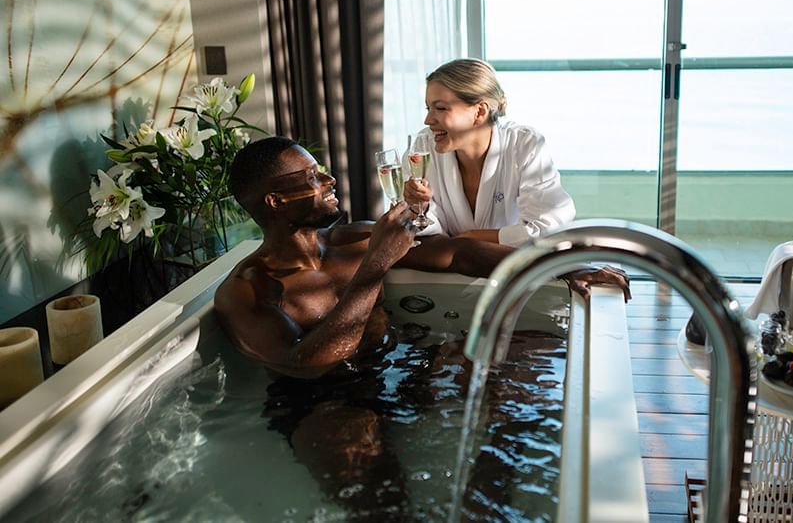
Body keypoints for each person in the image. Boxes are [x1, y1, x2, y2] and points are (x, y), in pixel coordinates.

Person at [214, 136, 628, 379]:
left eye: (321, 170)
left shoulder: (353, 239)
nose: (329, 180)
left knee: (515, 361)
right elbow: (304, 366)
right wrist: (377, 263)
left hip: (401, 367)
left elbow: (461, 254)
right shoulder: (247, 291)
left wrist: (563, 268)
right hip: (327, 402)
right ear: (276, 200)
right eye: (311, 178)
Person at [403, 58, 574, 247]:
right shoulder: (422, 148)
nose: (428, 120)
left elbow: (548, 227)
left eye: (441, 108)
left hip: (508, 268)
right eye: (428, 108)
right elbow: (417, 235)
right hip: (447, 271)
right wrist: (421, 208)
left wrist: (471, 237)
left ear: (480, 112)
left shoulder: (524, 145)